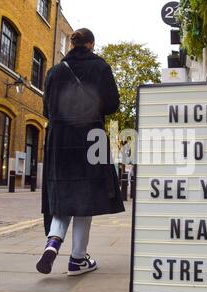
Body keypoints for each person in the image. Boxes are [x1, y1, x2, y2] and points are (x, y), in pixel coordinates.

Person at [37, 28, 125, 276]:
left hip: (59, 140)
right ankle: (77, 259)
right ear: (91, 44)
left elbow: (46, 110)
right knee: (86, 198)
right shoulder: (100, 67)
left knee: (64, 195)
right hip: (89, 139)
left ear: (73, 45)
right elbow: (112, 104)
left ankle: (53, 242)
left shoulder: (54, 72)